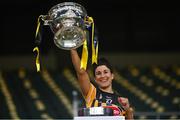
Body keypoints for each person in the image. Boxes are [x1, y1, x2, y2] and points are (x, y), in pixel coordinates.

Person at [70, 49, 134, 119]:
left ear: (112, 75)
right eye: (98, 73)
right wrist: (73, 49)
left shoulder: (121, 101)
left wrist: (128, 110)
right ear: (95, 79)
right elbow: (81, 72)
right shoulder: (92, 93)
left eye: (105, 72)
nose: (103, 76)